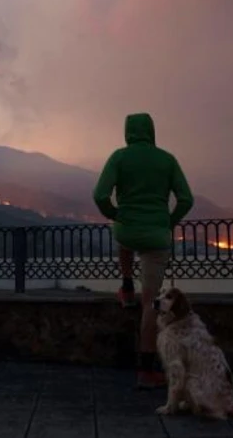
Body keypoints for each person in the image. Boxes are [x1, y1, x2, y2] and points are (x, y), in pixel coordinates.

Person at [93, 112, 194, 388]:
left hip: (127, 228)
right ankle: (146, 370)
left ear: (128, 132)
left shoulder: (119, 157)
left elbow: (100, 195)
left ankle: (126, 287)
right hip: (156, 236)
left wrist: (116, 214)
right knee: (150, 304)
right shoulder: (167, 160)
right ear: (151, 131)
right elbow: (186, 199)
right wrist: (168, 222)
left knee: (124, 240)